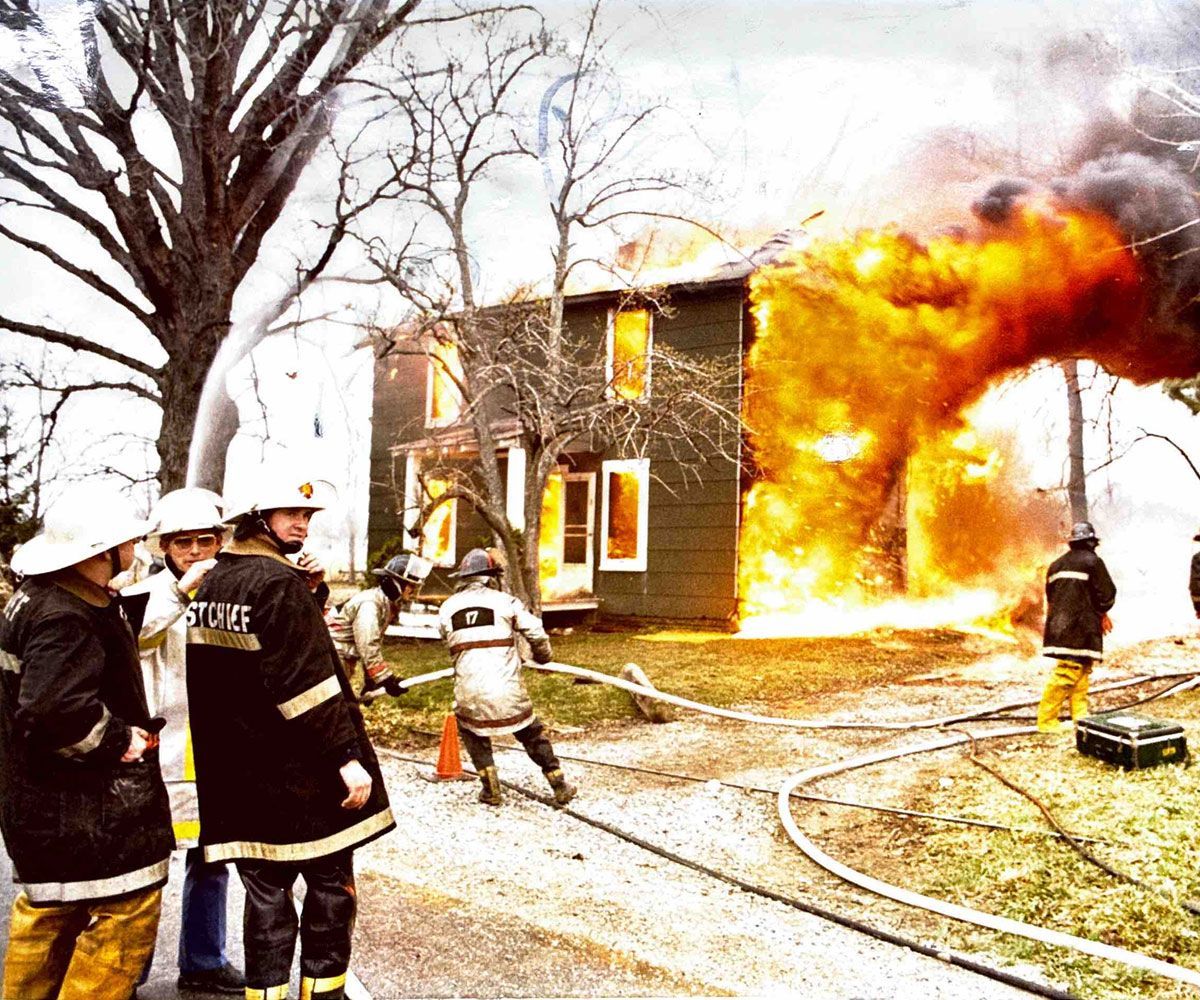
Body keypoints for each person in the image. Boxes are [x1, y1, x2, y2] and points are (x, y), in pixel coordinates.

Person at [185, 474, 394, 1000]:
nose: (301, 523)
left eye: (307, 515)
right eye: (289, 514)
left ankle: (266, 995)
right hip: (301, 775)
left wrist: (312, 592)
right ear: (259, 520)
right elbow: (305, 682)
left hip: (240, 776)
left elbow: (248, 668)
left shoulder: (215, 582)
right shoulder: (275, 584)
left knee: (265, 897)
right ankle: (325, 995)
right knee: (329, 889)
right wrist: (346, 757)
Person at [0, 489, 174, 999]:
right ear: (101, 551)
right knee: (125, 918)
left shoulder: (40, 598)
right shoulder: (65, 617)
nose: (136, 547)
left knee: (45, 921)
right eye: (128, 541)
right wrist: (120, 740)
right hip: (92, 817)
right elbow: (52, 710)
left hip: (42, 810)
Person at [122, 488, 244, 994]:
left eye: (206, 541)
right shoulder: (145, 594)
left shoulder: (233, 589)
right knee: (143, 871)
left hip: (217, 750)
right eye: (183, 543)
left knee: (213, 863)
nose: (196, 552)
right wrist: (179, 592)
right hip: (161, 753)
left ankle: (204, 962)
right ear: (165, 547)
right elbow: (137, 638)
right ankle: (126, 972)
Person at [438, 547, 577, 807]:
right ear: (491, 577)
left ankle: (491, 789)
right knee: (531, 732)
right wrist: (544, 657)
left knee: (472, 731)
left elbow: (446, 638)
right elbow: (535, 631)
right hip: (506, 688)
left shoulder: (447, 608)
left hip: (469, 690)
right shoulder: (506, 602)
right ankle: (559, 784)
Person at [1038, 521, 1116, 733]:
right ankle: (1046, 722)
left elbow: (1051, 597)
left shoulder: (1056, 565)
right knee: (1068, 671)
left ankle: (1080, 717)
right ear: (1091, 542)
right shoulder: (1093, 562)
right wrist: (1102, 613)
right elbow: (1107, 593)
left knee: (1081, 669)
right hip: (1081, 627)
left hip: (1059, 626)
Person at [327, 552, 433, 698]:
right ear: (397, 583)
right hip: (332, 661)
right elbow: (367, 643)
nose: (413, 590)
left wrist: (371, 680)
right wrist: (386, 679)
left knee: (340, 709)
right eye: (411, 585)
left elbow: (368, 643)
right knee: (335, 711)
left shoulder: (382, 603)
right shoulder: (370, 604)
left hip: (339, 659)